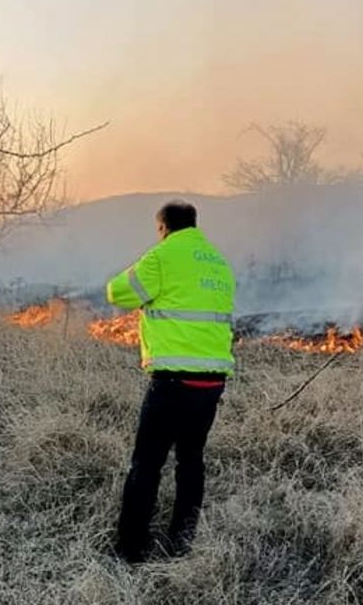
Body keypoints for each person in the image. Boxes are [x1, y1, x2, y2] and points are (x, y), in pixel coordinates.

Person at [106, 200, 236, 563]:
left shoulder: (161, 256)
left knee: (147, 464)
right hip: (212, 382)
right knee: (190, 460)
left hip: (172, 381)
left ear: (163, 227)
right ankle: (182, 541)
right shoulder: (219, 263)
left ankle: (131, 549)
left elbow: (117, 292)